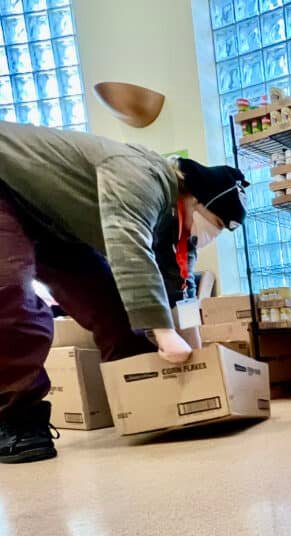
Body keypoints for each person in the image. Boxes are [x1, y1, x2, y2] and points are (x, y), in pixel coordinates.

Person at [0, 121, 249, 464]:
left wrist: (188, 348)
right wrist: (162, 331)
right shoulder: (142, 176)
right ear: (195, 200)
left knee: (113, 307)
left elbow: (176, 285)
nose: (212, 235)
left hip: (55, 222)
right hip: (7, 183)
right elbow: (127, 247)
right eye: (216, 225)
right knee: (9, 293)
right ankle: (17, 419)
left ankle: (143, 400)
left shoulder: (175, 228)